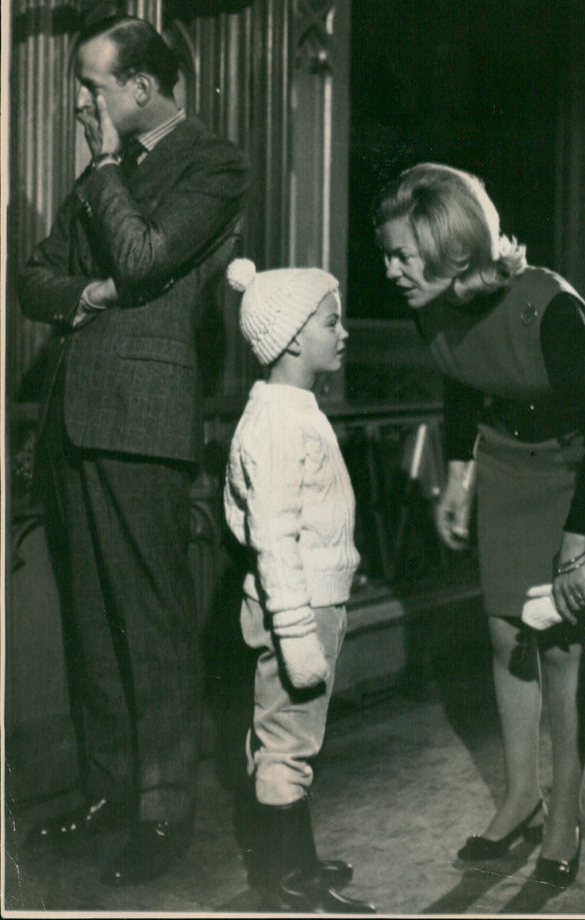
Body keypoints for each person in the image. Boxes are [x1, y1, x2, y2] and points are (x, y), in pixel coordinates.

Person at [17, 15, 248, 884]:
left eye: (94, 86)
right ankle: (108, 792)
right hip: (73, 420)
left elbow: (148, 258)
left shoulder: (214, 162)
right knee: (90, 622)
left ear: (141, 89)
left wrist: (107, 170)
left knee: (150, 626)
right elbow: (31, 278)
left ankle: (162, 813)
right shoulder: (102, 172)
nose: (83, 102)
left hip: (144, 421)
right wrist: (87, 292)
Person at [373, 163, 585, 887]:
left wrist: (581, 537)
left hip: (578, 467)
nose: (388, 269)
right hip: (508, 467)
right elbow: (460, 383)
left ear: (454, 253)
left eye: (399, 254)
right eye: (385, 252)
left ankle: (565, 809)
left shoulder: (546, 308)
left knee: (562, 647)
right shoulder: (431, 304)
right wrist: (459, 475)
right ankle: (520, 797)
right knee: (506, 634)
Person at [223, 259, 376, 914]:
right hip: (298, 611)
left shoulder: (289, 409)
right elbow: (274, 539)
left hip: (309, 602)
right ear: (289, 337)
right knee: (288, 748)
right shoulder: (281, 423)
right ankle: (291, 885)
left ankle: (294, 860)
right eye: (331, 321)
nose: (343, 333)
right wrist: (296, 635)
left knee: (285, 742)